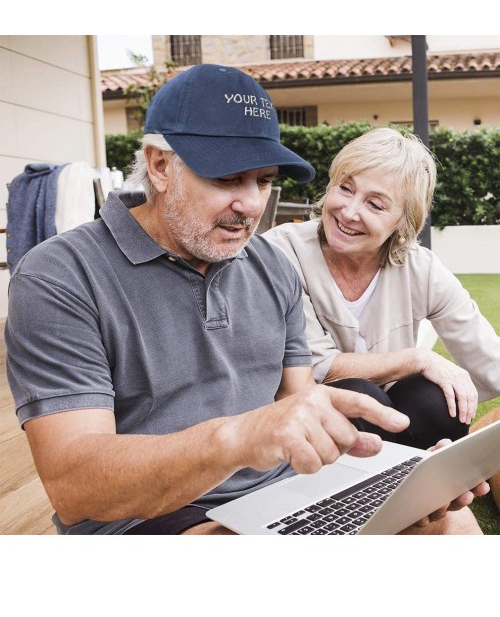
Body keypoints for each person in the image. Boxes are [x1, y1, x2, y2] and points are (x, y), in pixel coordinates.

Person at [5, 67, 487, 536]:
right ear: (159, 166)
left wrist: (395, 477)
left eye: (262, 180)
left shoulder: (270, 265)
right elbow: (76, 488)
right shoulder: (60, 275)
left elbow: (299, 403)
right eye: (228, 178)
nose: (251, 205)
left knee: (450, 522)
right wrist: (239, 437)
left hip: (283, 493)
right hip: (155, 515)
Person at [264, 127, 500, 450]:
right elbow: (314, 368)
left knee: (439, 398)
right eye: (345, 189)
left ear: (403, 224)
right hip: (305, 428)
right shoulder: (282, 251)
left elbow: (490, 360)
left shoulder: (420, 268)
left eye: (375, 205)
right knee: (358, 394)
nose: (349, 212)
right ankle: (395, 482)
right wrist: (417, 358)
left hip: (393, 424)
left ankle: (418, 472)